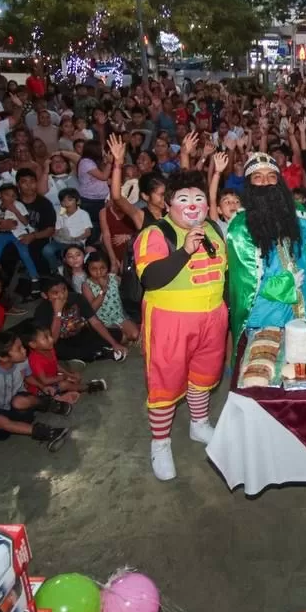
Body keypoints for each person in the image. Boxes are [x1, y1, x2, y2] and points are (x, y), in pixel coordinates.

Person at [133, 170, 229, 480]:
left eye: (199, 198)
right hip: (170, 322)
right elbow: (150, 278)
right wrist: (185, 250)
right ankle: (160, 443)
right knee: (165, 382)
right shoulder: (155, 233)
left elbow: (224, 274)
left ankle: (199, 424)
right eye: (183, 199)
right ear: (168, 204)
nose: (193, 205)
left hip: (212, 319)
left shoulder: (213, 229)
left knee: (204, 375)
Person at [225, 152, 306, 344]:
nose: (266, 182)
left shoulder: (293, 214)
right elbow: (246, 282)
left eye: (271, 176)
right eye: (258, 177)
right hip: (267, 314)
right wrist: (284, 284)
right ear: (249, 184)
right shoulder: (240, 227)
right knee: (267, 361)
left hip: (305, 309)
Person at [0, 330, 69, 450]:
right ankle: (48, 433)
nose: (24, 350)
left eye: (22, 346)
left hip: (21, 411)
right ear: (3, 357)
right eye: (19, 349)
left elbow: (28, 377)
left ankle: (49, 404)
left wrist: (42, 387)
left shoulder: (23, 362)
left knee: (18, 401)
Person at [32, 275, 128, 363]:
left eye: (64, 290)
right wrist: (57, 314)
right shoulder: (41, 311)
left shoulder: (76, 298)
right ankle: (96, 353)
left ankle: (93, 353)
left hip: (82, 334)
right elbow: (52, 341)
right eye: (55, 293)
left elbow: (95, 322)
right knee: (55, 351)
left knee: (122, 337)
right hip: (61, 342)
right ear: (45, 295)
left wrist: (114, 343)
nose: (62, 295)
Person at [82, 252, 138, 342]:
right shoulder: (86, 285)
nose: (99, 272)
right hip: (103, 322)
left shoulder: (114, 278)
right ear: (87, 269)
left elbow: (128, 290)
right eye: (94, 269)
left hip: (119, 317)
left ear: (107, 267)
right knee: (122, 338)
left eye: (102, 268)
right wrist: (103, 290)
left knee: (134, 335)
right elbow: (92, 309)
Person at [45, 189, 92, 272]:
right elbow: (57, 229)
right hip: (62, 240)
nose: (66, 203)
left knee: (67, 255)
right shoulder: (60, 213)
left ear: (78, 201)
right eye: (63, 201)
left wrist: (77, 238)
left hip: (76, 242)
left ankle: (69, 271)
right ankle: (56, 269)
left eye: (70, 200)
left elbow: (88, 232)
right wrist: (56, 234)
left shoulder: (83, 214)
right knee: (47, 250)